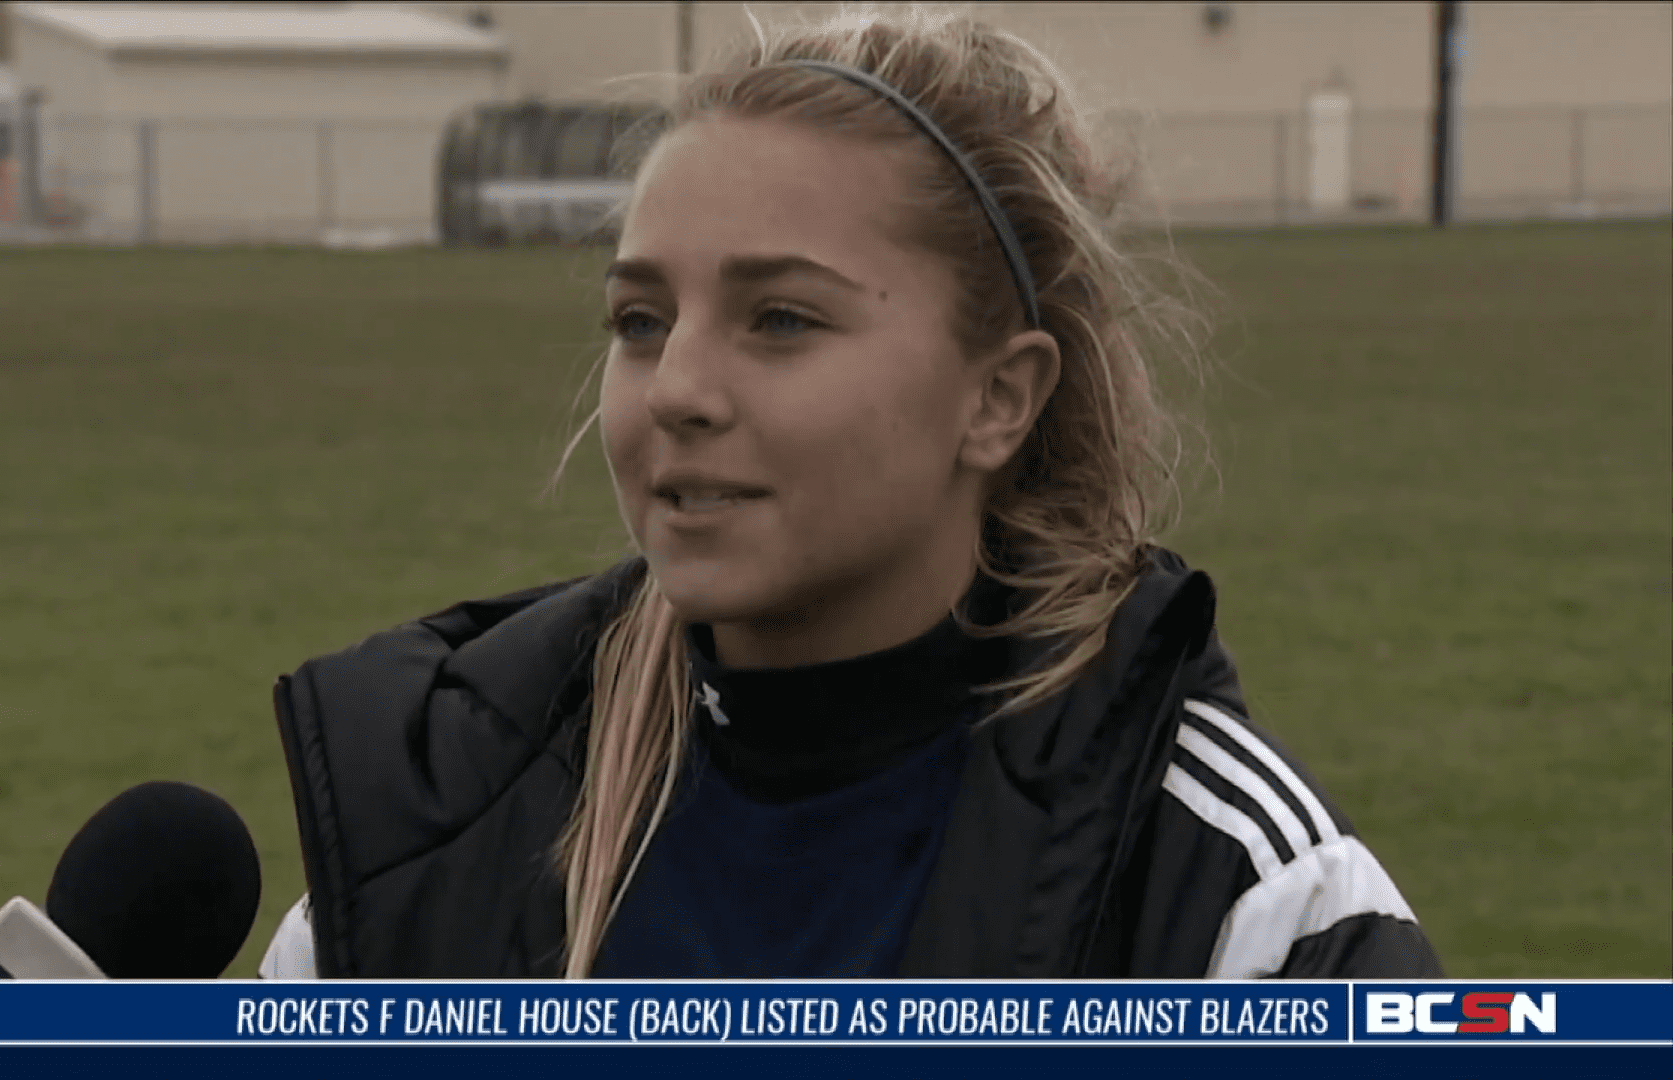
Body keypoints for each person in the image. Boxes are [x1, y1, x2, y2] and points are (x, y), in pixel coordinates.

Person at [258, 6, 1441, 981]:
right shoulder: (429, 832)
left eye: (781, 318)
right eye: (639, 320)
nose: (676, 389)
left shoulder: (1234, 895)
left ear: (999, 398)